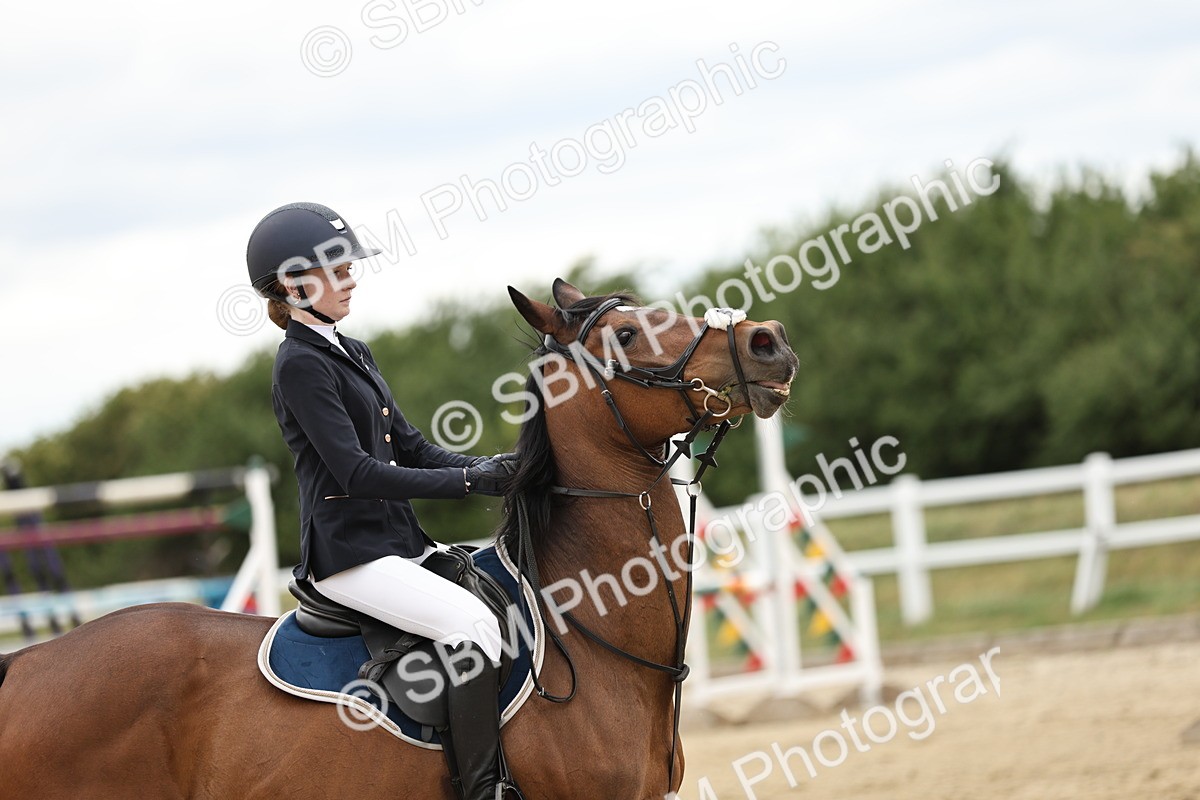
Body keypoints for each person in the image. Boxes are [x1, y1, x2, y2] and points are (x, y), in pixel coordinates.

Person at [246, 202, 517, 800]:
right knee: (472, 626)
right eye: (336, 269)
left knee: (502, 590)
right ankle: (482, 790)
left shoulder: (352, 349)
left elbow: (412, 446)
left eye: (348, 267)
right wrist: (471, 486)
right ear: (293, 284)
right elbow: (359, 472)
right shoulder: (299, 364)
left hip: (398, 544)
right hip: (351, 558)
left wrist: (492, 467)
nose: (350, 278)